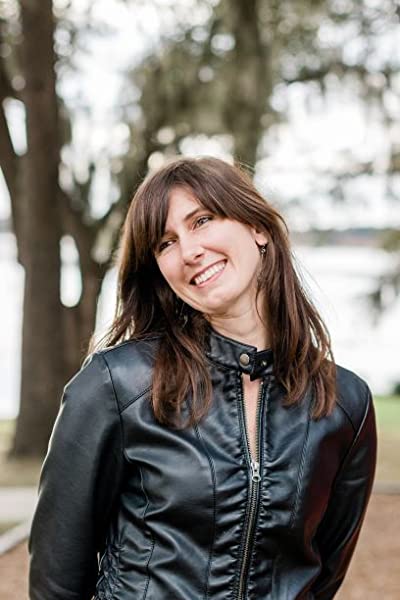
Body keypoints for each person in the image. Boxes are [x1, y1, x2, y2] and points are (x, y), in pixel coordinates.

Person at [29, 156, 377, 600]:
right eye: (165, 243)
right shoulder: (118, 385)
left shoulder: (344, 404)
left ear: (258, 227)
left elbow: (320, 576)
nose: (189, 251)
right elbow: (57, 579)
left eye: (203, 220)